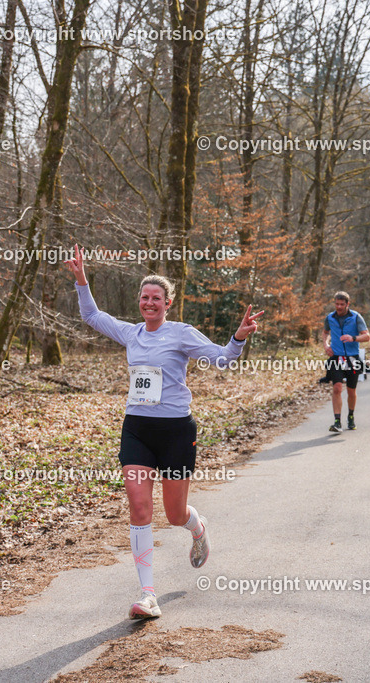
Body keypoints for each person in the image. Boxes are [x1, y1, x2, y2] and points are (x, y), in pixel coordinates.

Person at [65, 245, 263, 620]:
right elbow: (91, 314)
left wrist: (237, 337)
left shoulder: (181, 334)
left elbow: (222, 357)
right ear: (139, 302)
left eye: (157, 298)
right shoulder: (131, 333)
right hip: (137, 429)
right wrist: (81, 279)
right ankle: (147, 594)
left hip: (175, 431)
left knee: (173, 515)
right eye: (144, 297)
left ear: (168, 303)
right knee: (139, 507)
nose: (149, 303)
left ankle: (197, 526)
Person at [323, 291, 370, 431]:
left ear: (347, 304)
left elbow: (366, 336)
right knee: (337, 388)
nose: (338, 307)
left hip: (352, 358)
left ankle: (350, 416)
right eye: (336, 304)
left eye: (342, 304)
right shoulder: (330, 317)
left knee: (351, 390)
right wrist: (326, 345)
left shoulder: (356, 317)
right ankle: (337, 422)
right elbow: (325, 332)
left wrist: (353, 338)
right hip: (336, 357)